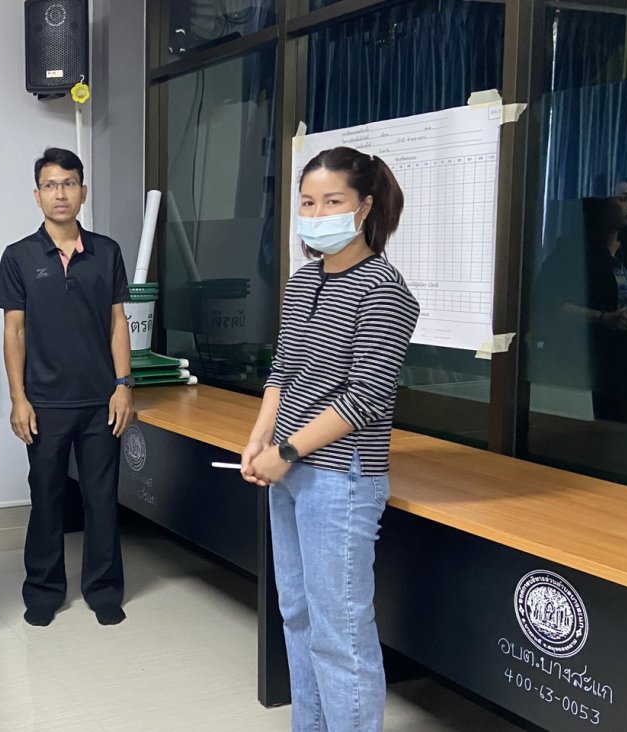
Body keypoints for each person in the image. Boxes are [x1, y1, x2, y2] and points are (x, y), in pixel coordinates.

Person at [240, 147, 419, 730]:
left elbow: (365, 397)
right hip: (286, 469)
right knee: (297, 615)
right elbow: (283, 371)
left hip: (340, 479)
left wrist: (287, 451)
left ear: (364, 207)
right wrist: (260, 440)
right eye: (308, 202)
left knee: (340, 632)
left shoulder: (385, 289)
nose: (317, 214)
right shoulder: (303, 280)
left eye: (332, 201)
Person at [0, 147, 133, 628]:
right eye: (51, 185)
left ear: (83, 192)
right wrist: (18, 398)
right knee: (46, 499)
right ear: (37, 196)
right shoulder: (18, 256)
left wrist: (123, 385)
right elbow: (14, 332)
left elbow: (118, 323)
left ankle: (104, 589)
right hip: (44, 403)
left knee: (102, 499)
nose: (60, 193)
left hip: (101, 401)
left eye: (69, 183)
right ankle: (43, 590)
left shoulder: (107, 252)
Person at [531, 180, 627, 423]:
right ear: (602, 203)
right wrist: (603, 318)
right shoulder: (573, 249)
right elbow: (548, 304)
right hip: (586, 360)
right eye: (622, 199)